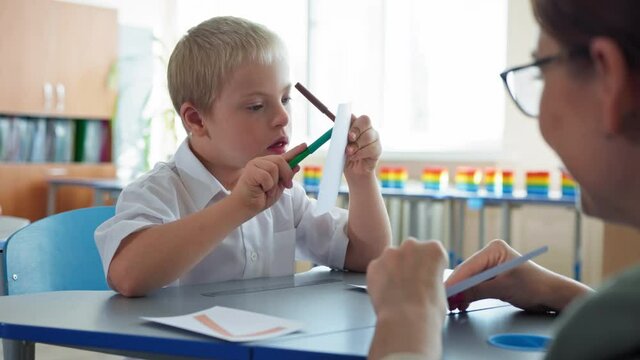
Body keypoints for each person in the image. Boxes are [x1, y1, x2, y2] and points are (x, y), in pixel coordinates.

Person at [367, 0, 640, 359]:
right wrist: (559, 292)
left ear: (609, 77)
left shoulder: (593, 343)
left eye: (540, 73)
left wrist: (406, 322)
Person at [95, 16, 391, 297]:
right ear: (196, 120)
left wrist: (362, 177)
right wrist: (237, 207)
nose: (282, 117)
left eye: (285, 99)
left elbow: (368, 256)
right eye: (256, 106)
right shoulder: (157, 193)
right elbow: (128, 275)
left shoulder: (287, 198)